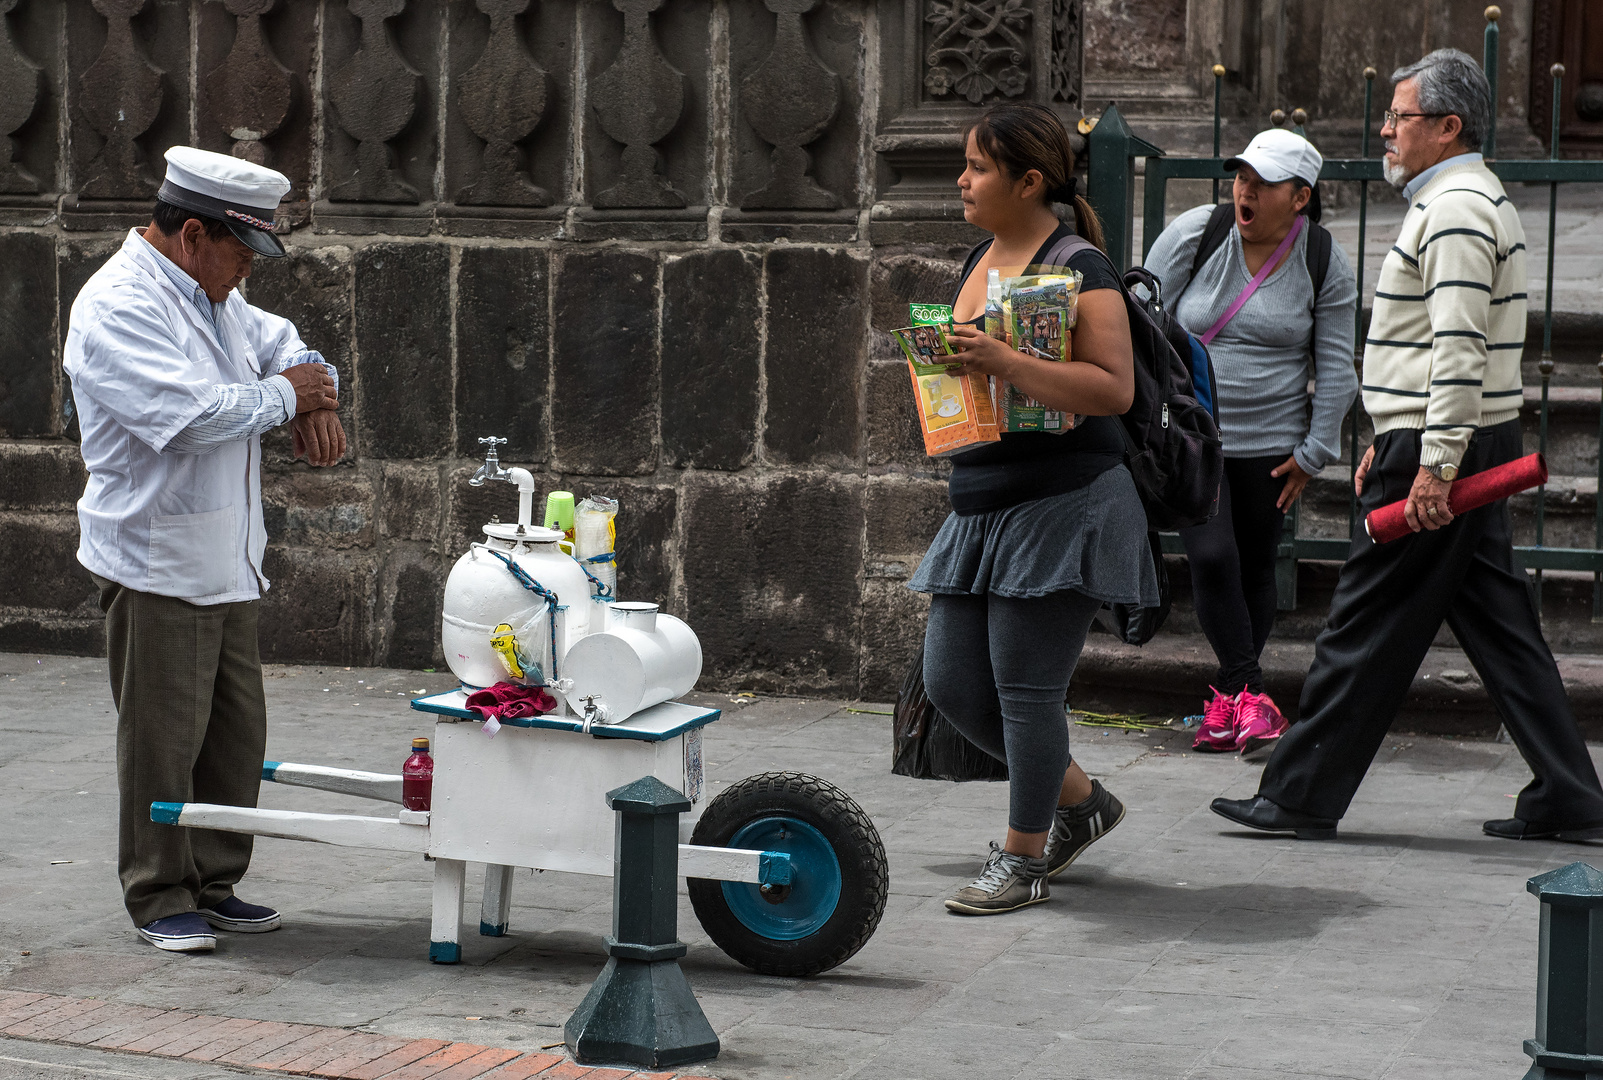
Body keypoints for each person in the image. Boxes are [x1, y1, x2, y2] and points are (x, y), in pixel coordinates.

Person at [1212, 49, 1603, 841]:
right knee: (1500, 626)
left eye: (1399, 118)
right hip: (1449, 435)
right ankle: (1571, 795)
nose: (1385, 132)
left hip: (1443, 442)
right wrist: (1395, 432)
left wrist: (1428, 459)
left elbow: (1456, 344)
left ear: (1446, 127)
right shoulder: (1466, 198)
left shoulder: (1455, 206)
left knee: (1362, 622)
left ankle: (1296, 795)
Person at [65, 147, 349, 952]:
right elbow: (187, 420)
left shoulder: (212, 296)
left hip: (226, 553)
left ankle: (214, 878)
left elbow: (281, 340)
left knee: (232, 738)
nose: (245, 275)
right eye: (239, 253)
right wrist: (286, 397)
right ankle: (158, 892)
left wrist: (305, 382)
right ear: (193, 233)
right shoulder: (119, 305)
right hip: (156, 558)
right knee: (163, 739)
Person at [908, 102, 1158, 915]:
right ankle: (1081, 803)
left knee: (1024, 692)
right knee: (952, 685)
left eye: (977, 167)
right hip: (980, 503)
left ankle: (1021, 861)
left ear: (1028, 180)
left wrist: (1005, 360)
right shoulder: (982, 255)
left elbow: (1111, 389)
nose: (962, 180)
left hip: (1064, 503)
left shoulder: (1079, 265)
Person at [1143, 129, 1358, 759]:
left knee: (1257, 566)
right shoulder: (1198, 233)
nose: (1246, 190)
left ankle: (1228, 709)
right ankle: (1252, 692)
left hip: (1274, 447)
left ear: (1299, 197)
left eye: (1263, 183)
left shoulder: (1322, 259)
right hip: (1194, 439)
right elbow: (1138, 316)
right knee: (1212, 558)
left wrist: (1316, 452)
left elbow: (1337, 364)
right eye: (1242, 177)